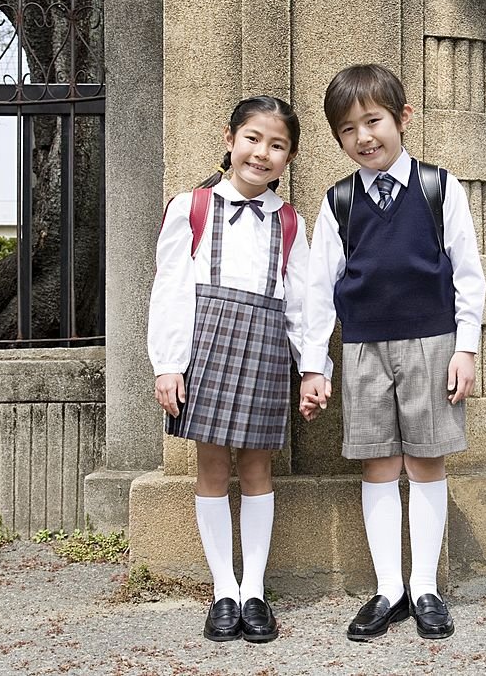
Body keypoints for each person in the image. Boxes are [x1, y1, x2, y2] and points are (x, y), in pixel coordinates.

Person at [299, 63, 486, 641]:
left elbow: (469, 275)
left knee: (426, 461)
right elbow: (317, 289)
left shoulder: (438, 187)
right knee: (379, 465)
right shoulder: (339, 203)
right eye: (348, 129)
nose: (364, 137)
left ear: (402, 118)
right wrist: (314, 364)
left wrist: (467, 347)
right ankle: (389, 589)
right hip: (361, 349)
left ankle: (426, 585)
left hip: (433, 344)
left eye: (373, 121)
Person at [148, 95, 328, 643]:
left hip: (266, 348)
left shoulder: (292, 221)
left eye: (277, 145)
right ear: (230, 139)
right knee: (210, 470)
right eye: (253, 138)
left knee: (256, 471)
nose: (262, 152)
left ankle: (254, 590)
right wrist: (168, 364)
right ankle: (223, 589)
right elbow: (171, 289)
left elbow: (307, 302)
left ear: (289, 157)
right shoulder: (191, 207)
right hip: (207, 344)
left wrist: (313, 368)